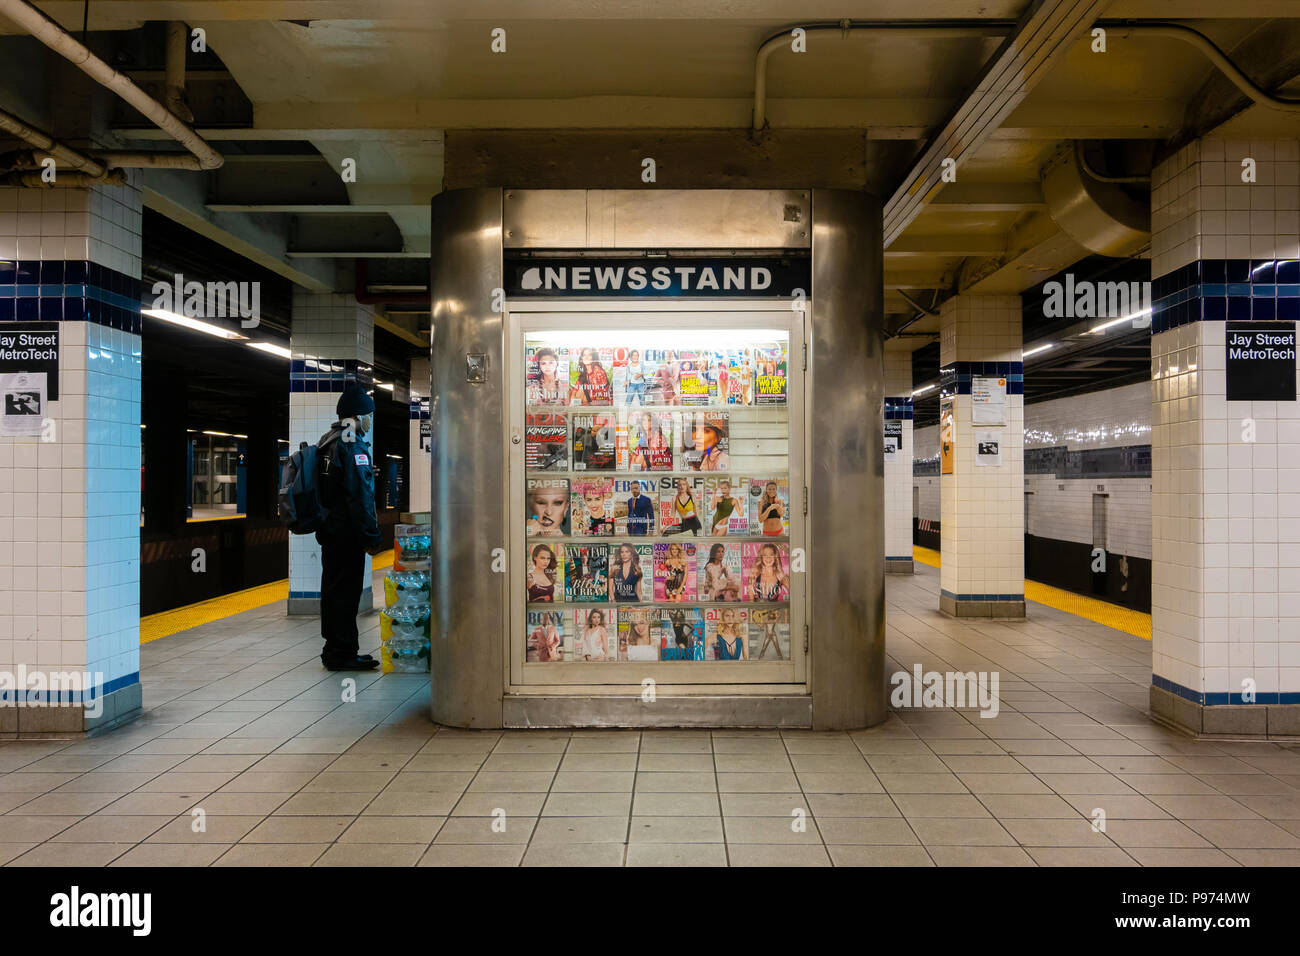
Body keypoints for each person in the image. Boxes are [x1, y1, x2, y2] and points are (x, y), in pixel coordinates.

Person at [316, 381, 384, 671]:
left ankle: (334, 649)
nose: (370, 421)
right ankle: (343, 653)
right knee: (345, 593)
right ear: (357, 416)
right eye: (368, 415)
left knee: (332, 591)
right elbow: (360, 497)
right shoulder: (352, 445)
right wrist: (371, 536)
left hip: (330, 531)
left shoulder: (328, 440)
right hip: (347, 535)